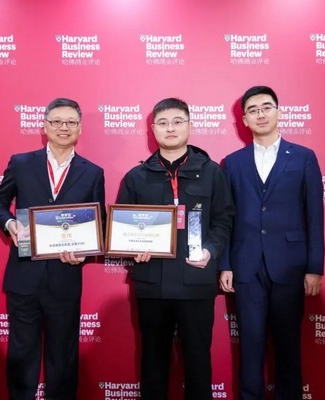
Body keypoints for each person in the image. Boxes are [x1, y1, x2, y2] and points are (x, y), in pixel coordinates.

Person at [0, 98, 106, 400]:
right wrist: (10, 224)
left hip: (65, 277)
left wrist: (85, 254)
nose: (64, 127)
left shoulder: (93, 172)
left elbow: (98, 223)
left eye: (71, 122)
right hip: (24, 276)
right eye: (57, 121)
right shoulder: (21, 163)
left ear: (80, 128)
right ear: (45, 126)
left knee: (63, 358)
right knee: (21, 355)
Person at [116, 98, 234, 400]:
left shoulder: (211, 172)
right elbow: (122, 226)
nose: (170, 128)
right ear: (153, 129)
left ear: (190, 126)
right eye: (163, 123)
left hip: (196, 281)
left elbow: (224, 219)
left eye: (178, 121)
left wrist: (210, 250)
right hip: (151, 283)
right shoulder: (136, 176)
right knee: (153, 363)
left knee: (198, 362)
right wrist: (132, 250)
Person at [219, 86, 324, 400]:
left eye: (266, 107)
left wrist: (315, 267)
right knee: (250, 346)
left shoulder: (304, 157)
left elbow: (315, 215)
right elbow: (226, 217)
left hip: (290, 266)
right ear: (244, 120)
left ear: (279, 112)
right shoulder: (232, 162)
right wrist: (225, 263)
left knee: (288, 346)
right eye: (253, 110)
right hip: (246, 266)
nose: (260, 114)